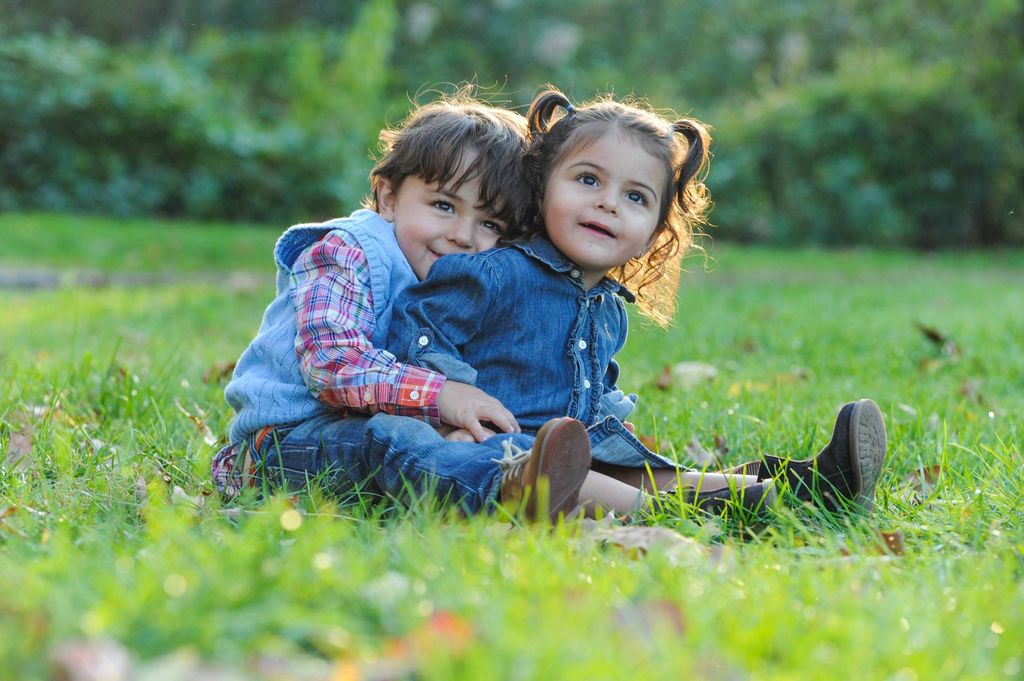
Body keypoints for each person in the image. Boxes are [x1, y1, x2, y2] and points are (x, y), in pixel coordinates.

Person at [386, 89, 888, 517]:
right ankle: (730, 510)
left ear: (653, 232)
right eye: (588, 180)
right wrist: (452, 403)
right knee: (589, 479)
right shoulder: (497, 272)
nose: (608, 202)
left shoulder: (606, 305)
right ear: (540, 189)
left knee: (654, 473)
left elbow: (591, 382)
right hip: (498, 450)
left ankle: (805, 489)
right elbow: (419, 326)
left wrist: (608, 416)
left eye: (636, 197)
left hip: (578, 446)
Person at [211, 92, 596, 522]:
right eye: (444, 206)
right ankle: (502, 491)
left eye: (491, 224)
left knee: (483, 439)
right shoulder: (348, 251)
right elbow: (331, 364)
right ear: (389, 197)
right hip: (283, 447)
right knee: (390, 438)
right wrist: (441, 396)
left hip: (388, 438)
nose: (464, 236)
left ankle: (613, 492)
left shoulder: (464, 286)